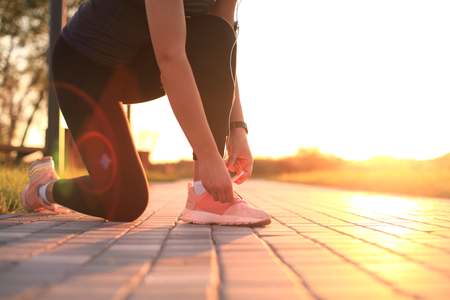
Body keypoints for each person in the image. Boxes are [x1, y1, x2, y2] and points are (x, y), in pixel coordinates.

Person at [20, 0, 271, 226]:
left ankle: (205, 197)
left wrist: (238, 128)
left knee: (215, 32)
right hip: (84, 68)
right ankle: (44, 187)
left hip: (137, 61)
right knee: (127, 202)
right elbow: (170, 58)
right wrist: (208, 156)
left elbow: (223, 50)